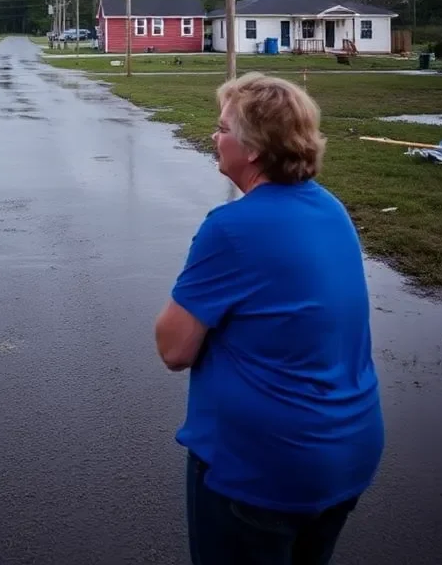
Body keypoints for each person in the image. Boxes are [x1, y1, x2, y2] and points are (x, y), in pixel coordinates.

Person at [153, 72, 383, 565]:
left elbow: (173, 349)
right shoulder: (331, 209)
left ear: (253, 149)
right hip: (346, 453)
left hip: (261, 468)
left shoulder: (232, 227)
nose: (214, 137)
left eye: (222, 129)